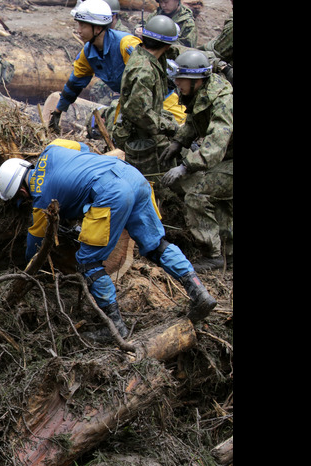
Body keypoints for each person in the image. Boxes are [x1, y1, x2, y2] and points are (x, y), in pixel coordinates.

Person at [0, 140, 217, 339]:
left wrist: (24, 270)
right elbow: (83, 148)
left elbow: (36, 246)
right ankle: (199, 292)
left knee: (89, 263)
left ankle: (115, 327)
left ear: (23, 192)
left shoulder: (41, 200)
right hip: (133, 176)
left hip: (110, 193)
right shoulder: (52, 149)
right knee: (155, 246)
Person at [158, 50, 233, 271]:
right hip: (226, 158)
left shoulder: (223, 99)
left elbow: (217, 141)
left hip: (227, 157)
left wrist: (186, 166)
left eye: (181, 79)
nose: (177, 83)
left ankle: (213, 254)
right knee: (211, 192)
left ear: (197, 79)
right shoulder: (202, 92)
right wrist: (179, 142)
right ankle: (228, 250)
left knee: (197, 193)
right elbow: (194, 120)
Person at [48, 0, 141, 132]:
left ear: (97, 28)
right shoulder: (88, 52)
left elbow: (147, 81)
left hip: (158, 101)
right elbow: (74, 84)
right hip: (129, 102)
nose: (78, 30)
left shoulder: (126, 44)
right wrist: (58, 111)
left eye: (83, 26)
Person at [111, 15, 182, 175]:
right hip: (141, 141)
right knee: (151, 184)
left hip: (145, 134)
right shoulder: (144, 71)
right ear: (167, 44)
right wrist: (170, 126)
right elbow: (140, 112)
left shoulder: (141, 55)